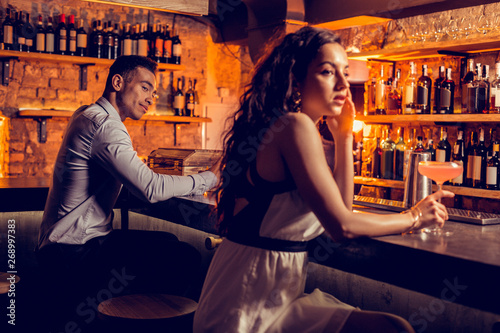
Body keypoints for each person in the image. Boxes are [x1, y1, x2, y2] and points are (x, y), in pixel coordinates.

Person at [193, 27, 454, 333]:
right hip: (244, 309)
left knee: (392, 327)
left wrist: (343, 137)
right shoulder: (294, 126)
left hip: (275, 298)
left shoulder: (292, 126)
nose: (344, 84)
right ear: (296, 79)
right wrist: (412, 217)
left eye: (345, 72)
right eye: (328, 72)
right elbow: (342, 227)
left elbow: (342, 210)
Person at [34, 56, 217, 332]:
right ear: (118, 82)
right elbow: (151, 188)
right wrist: (211, 177)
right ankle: (134, 322)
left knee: (168, 241)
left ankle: (130, 318)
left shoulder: (88, 113)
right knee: (184, 257)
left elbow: (136, 178)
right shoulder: (105, 126)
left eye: (154, 92)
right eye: (145, 87)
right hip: (73, 254)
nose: (151, 98)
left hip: (66, 246)